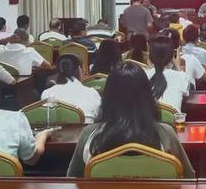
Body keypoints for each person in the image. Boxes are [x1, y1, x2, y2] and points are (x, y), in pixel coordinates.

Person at [66, 62, 195, 178]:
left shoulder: (89, 135)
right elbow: (189, 178)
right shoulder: (166, 134)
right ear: (147, 96)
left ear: (107, 96)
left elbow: (72, 180)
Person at [41, 54, 101, 123]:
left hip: (56, 129)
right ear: (79, 69)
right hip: (85, 129)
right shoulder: (92, 93)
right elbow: (99, 117)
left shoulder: (47, 94)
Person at [146, 35, 190, 111]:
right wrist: (178, 66)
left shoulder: (142, 75)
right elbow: (185, 95)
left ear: (150, 55)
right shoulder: (182, 77)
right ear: (172, 57)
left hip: (146, 119)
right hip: (173, 119)